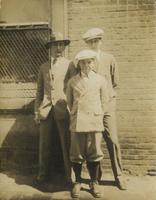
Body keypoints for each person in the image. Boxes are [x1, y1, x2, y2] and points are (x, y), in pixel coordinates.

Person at [64, 28, 126, 190]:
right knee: (88, 145)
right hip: (84, 109)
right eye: (90, 41)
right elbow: (70, 90)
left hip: (105, 106)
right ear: (86, 43)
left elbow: (114, 83)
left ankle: (119, 176)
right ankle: (93, 179)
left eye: (96, 40)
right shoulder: (76, 63)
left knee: (112, 139)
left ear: (101, 41)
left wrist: (105, 104)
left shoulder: (109, 58)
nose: (94, 43)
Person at [66, 49, 109, 198]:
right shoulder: (72, 81)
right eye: (83, 62)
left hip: (94, 120)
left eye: (89, 62)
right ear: (78, 64)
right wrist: (74, 115)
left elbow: (104, 101)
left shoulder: (100, 80)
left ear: (93, 63)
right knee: (76, 153)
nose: (86, 65)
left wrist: (97, 114)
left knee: (95, 152)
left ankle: (94, 182)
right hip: (78, 121)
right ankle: (77, 182)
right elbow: (69, 102)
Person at [34, 32, 72, 185]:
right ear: (50, 47)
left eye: (61, 44)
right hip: (45, 110)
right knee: (44, 144)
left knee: (66, 143)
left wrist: (71, 108)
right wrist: (37, 111)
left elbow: (73, 87)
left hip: (62, 109)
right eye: (55, 45)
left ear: (64, 47)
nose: (58, 47)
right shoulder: (44, 67)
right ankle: (43, 174)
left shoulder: (70, 65)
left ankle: (70, 176)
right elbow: (39, 90)